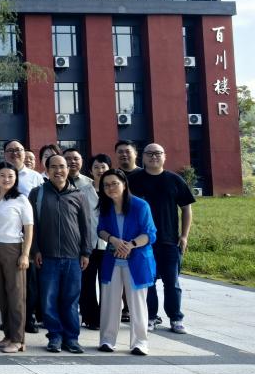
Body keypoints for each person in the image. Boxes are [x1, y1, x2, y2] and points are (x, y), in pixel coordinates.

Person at [129, 143, 196, 334]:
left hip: (169, 240)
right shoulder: (133, 180)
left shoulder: (174, 180)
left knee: (172, 282)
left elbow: (186, 209)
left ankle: (176, 318)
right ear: (143, 157)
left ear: (164, 156)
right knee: (148, 282)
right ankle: (150, 317)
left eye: (158, 153)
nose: (154, 157)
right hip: (142, 241)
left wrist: (184, 236)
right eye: (149, 153)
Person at [29, 155, 93, 354]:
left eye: (62, 166)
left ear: (68, 169)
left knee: (71, 300)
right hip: (47, 257)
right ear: (47, 170)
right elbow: (32, 226)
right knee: (49, 300)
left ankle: (71, 338)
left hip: (73, 257)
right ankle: (55, 336)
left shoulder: (79, 195)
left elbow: (86, 226)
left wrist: (86, 252)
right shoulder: (37, 193)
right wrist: (35, 250)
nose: (59, 171)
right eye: (54, 167)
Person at [96, 169, 158, 355]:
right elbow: (101, 230)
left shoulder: (140, 206)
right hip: (112, 260)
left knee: (137, 304)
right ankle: (107, 340)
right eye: (106, 185)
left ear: (124, 184)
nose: (111, 188)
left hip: (137, 260)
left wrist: (130, 245)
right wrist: (113, 240)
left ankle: (140, 343)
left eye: (114, 183)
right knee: (109, 302)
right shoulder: (105, 206)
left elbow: (150, 233)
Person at [0, 162, 34, 353]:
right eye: (2, 175)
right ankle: (8, 335)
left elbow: (29, 228)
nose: (6, 179)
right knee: (1, 294)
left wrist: (25, 254)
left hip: (13, 248)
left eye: (11, 176)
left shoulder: (21, 199)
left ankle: (18, 339)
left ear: (16, 179)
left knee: (16, 295)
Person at [0, 140, 45, 332]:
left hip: (29, 235)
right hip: (5, 237)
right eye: (10, 150)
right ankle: (8, 320)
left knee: (28, 282)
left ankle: (27, 318)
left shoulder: (35, 177)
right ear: (4, 153)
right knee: (7, 283)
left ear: (25, 153)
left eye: (18, 150)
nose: (14, 153)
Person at [64, 148, 100, 330]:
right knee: (84, 282)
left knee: (99, 281)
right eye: (68, 158)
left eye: (75, 158)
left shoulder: (88, 183)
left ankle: (97, 316)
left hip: (95, 239)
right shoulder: (58, 181)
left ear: (82, 162)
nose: (72, 162)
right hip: (72, 240)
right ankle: (88, 315)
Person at [81, 153, 113, 330]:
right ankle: (90, 318)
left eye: (103, 167)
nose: (100, 170)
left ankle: (106, 317)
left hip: (110, 245)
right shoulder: (83, 192)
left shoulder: (115, 190)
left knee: (107, 283)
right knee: (87, 282)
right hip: (89, 244)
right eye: (96, 167)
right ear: (90, 170)